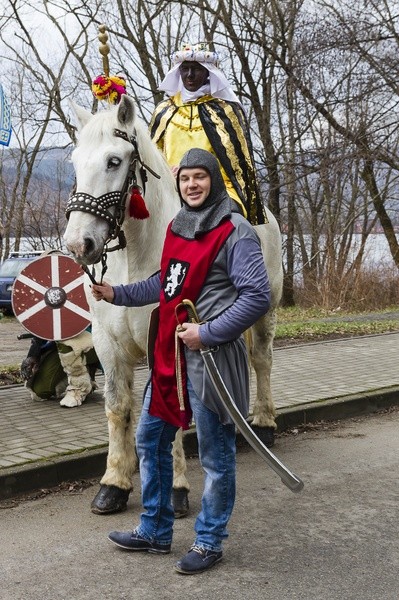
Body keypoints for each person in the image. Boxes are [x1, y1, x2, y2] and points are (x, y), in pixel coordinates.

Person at [91, 148, 271, 575]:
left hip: (212, 362)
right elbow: (165, 283)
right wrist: (117, 293)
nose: (192, 185)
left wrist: (206, 332)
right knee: (149, 440)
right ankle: (154, 528)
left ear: (213, 181)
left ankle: (209, 541)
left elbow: (257, 296)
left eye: (200, 177)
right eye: (185, 178)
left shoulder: (235, 231)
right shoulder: (178, 227)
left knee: (215, 456)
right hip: (169, 360)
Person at [149, 42, 267, 226]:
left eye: (196, 69)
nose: (190, 75)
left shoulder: (226, 111)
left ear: (208, 72)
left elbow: (238, 164)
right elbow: (152, 156)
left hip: (219, 190)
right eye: (185, 69)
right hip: (170, 188)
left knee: (231, 222)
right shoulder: (164, 111)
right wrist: (166, 174)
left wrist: (206, 179)